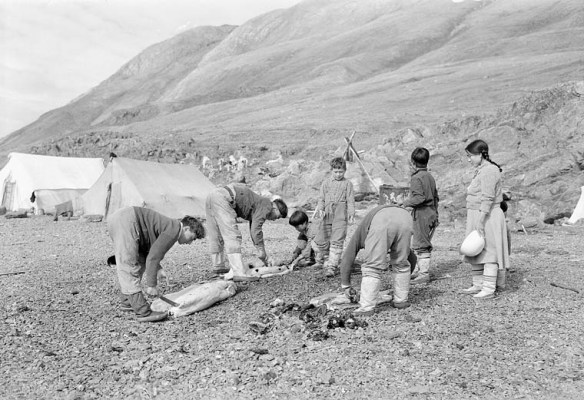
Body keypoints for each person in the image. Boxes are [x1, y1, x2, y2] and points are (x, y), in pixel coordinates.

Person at [107, 207, 205, 322]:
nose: (189, 243)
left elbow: (151, 251)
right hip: (126, 221)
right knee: (128, 266)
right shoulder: (173, 231)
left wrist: (158, 268)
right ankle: (143, 311)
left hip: (123, 219)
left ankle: (127, 301)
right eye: (192, 238)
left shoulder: (171, 226)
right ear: (186, 228)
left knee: (140, 260)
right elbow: (153, 258)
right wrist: (152, 285)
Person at [339, 204, 415, 316]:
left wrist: (345, 285)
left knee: (372, 267)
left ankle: (367, 308)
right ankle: (401, 301)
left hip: (382, 221)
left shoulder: (361, 233)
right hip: (405, 217)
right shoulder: (368, 225)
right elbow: (411, 257)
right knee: (402, 263)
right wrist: (405, 280)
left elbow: (348, 256)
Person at [206, 184, 288, 281]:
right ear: (276, 208)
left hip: (213, 195)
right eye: (278, 217)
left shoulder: (259, 203)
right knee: (232, 234)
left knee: (216, 234)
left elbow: (253, 227)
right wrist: (261, 250)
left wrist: (259, 249)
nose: (274, 220)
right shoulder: (267, 205)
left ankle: (218, 267)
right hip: (224, 198)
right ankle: (238, 272)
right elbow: (256, 229)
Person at [462, 139, 510, 299]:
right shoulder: (481, 170)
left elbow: (488, 198)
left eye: (470, 156)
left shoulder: (490, 171)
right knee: (475, 249)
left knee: (490, 250)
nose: (469, 160)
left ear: (480, 154)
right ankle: (478, 283)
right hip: (477, 214)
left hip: (487, 215)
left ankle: (489, 287)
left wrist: (481, 220)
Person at [401, 147, 439, 285]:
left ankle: (423, 274)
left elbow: (419, 198)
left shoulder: (416, 178)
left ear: (412, 162)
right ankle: (420, 270)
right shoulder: (430, 177)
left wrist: (404, 203)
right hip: (430, 213)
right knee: (422, 242)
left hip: (422, 214)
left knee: (421, 244)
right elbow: (435, 197)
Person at [314, 157, 355, 277]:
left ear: (345, 171)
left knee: (337, 239)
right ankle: (327, 259)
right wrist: (321, 209)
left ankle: (332, 266)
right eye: (336, 172)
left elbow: (350, 200)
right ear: (331, 170)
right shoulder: (326, 183)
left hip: (340, 214)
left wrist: (351, 213)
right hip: (327, 213)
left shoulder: (348, 184)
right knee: (322, 238)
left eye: (341, 172)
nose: (338, 174)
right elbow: (321, 198)